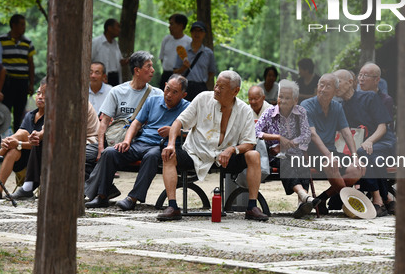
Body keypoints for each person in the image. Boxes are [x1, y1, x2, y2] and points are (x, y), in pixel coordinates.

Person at [157, 70, 268, 221]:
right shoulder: (203, 98)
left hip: (225, 157)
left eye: (221, 88)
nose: (216, 89)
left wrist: (232, 149)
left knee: (253, 155)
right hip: (195, 153)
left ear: (235, 91)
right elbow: (179, 122)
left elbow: (249, 142)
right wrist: (170, 144)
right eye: (216, 85)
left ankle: (252, 206)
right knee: (169, 155)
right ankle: (172, 206)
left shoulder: (245, 111)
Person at [86, 74, 189, 210]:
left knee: (151, 156)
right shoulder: (152, 101)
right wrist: (127, 141)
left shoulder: (188, 107)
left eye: (174, 92)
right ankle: (102, 196)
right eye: (167, 89)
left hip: (162, 146)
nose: (169, 95)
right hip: (141, 142)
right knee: (110, 152)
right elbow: (136, 124)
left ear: (184, 94)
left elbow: (192, 132)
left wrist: (174, 131)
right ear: (164, 86)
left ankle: (132, 198)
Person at [84, 51, 163, 200]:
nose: (152, 70)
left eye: (152, 66)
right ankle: (107, 190)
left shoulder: (157, 94)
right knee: (81, 154)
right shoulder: (117, 91)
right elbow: (104, 122)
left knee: (112, 153)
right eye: (148, 66)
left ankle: (94, 192)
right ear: (137, 70)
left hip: (140, 142)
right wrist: (101, 148)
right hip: (114, 139)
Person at [300, 74, 364, 215]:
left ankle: (322, 199)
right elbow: (313, 135)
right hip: (311, 152)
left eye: (328, 86)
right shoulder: (306, 105)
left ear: (335, 90)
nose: (323, 89)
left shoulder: (337, 107)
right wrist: (329, 156)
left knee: (358, 168)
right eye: (321, 85)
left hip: (330, 150)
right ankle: (351, 203)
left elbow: (347, 133)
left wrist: (354, 156)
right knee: (331, 164)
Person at [334, 69, 396, 217]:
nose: (335, 86)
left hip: (383, 143)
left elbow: (382, 127)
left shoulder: (369, 97)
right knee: (370, 158)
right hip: (366, 151)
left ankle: (378, 199)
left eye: (338, 82)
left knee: (363, 153)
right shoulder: (340, 107)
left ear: (350, 82)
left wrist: (369, 141)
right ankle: (386, 198)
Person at [255, 79, 320, 218]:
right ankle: (304, 196)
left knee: (301, 162)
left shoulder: (301, 112)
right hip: (276, 156)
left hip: (296, 153)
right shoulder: (269, 112)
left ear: (295, 100)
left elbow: (306, 134)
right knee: (286, 162)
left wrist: (291, 142)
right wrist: (278, 137)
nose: (282, 101)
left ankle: (301, 205)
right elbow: (255, 132)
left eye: (287, 98)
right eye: (280, 97)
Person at [0, 78, 45, 200]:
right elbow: (17, 139)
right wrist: (16, 143)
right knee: (13, 150)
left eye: (45, 94)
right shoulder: (30, 115)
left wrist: (18, 143)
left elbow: (40, 143)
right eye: (38, 93)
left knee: (22, 135)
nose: (40, 97)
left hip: (41, 159)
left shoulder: (52, 117)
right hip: (25, 160)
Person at [0, 14, 36, 131]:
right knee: (5, 110)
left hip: (22, 82)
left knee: (20, 112)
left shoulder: (27, 43)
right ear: (13, 25)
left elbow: (31, 64)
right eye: (22, 24)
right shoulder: (1, 40)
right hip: (7, 82)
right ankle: (2, 137)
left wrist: (31, 84)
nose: (24, 27)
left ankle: (17, 138)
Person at [174, 21, 217, 102]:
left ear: (204, 34)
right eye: (195, 31)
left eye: (200, 31)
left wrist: (203, 80)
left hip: (201, 88)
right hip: (185, 87)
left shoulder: (208, 53)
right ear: (191, 33)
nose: (197, 33)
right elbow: (175, 72)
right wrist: (183, 68)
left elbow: (211, 72)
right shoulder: (183, 51)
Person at [357, 62, 395, 130]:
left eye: (365, 75)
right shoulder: (355, 98)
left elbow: (388, 126)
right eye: (360, 75)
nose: (361, 79)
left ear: (377, 80)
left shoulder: (386, 100)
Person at [158, 14, 192, 88]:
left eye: (172, 24)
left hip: (181, 76)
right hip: (166, 75)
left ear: (180, 25)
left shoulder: (189, 42)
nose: (169, 26)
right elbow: (162, 58)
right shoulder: (166, 39)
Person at [92, 18, 127, 86]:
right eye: (118, 27)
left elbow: (120, 61)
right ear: (110, 28)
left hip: (115, 77)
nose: (119, 30)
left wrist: (129, 60)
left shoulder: (115, 44)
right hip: (102, 77)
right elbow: (88, 61)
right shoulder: (96, 42)